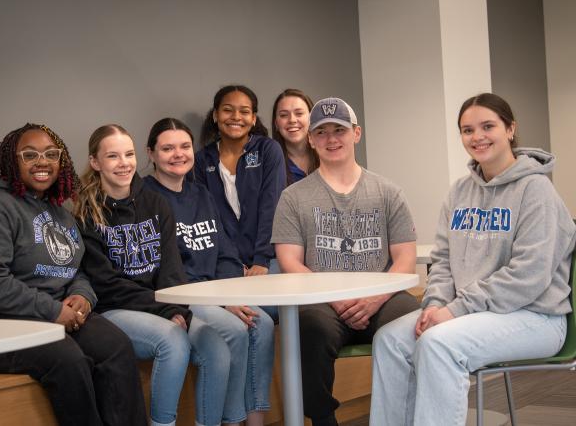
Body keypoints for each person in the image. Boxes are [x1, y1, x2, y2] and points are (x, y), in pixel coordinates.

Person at [369, 93, 576, 426]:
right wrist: (434, 306)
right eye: (467, 130)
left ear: (510, 129)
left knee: (438, 345)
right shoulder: (459, 192)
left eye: (487, 126)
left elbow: (529, 275)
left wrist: (454, 311)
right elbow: (443, 262)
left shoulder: (537, 191)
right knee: (390, 341)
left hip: (535, 316)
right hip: (470, 313)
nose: (477, 137)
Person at [0, 123, 147, 426]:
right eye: (30, 154)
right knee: (67, 359)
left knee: (114, 346)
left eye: (51, 153)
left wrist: (82, 297)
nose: (42, 161)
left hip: (40, 315)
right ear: (13, 161)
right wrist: (52, 311)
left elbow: (76, 270)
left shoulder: (59, 211)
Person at [271, 98, 420, 426]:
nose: (331, 139)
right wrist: (337, 301)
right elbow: (290, 263)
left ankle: (403, 417)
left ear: (356, 133)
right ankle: (324, 419)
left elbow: (406, 260)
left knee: (414, 320)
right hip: (322, 302)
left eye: (339, 130)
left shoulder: (388, 192)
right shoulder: (293, 197)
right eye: (321, 132)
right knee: (307, 328)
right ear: (311, 139)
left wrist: (373, 298)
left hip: (381, 299)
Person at [74, 124, 232, 426]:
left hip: (160, 305)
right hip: (115, 310)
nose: (124, 163)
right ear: (96, 163)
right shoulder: (86, 213)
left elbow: (171, 268)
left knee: (216, 348)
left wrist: (174, 308)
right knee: (172, 341)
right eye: (113, 156)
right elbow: (106, 285)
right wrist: (164, 309)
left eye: (129, 154)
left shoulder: (155, 203)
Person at [144, 117, 275, 426]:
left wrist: (227, 293)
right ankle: (231, 420)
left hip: (214, 292)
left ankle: (252, 419)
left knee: (263, 322)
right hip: (182, 296)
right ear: (151, 154)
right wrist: (220, 302)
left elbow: (225, 251)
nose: (178, 154)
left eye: (184, 146)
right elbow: (167, 269)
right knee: (233, 328)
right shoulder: (147, 198)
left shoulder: (200, 194)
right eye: (167, 148)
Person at [195, 85, 286, 278]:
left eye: (244, 111)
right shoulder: (202, 160)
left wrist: (262, 260)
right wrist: (231, 264)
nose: (236, 117)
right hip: (225, 264)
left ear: (253, 119)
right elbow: (209, 220)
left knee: (270, 308)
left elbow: (271, 206)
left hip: (268, 260)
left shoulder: (268, 150)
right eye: (228, 110)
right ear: (215, 115)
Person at [271, 88, 319, 185]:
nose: (292, 120)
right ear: (276, 123)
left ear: (312, 118)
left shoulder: (328, 156)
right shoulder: (269, 164)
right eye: (284, 115)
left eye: (299, 113)